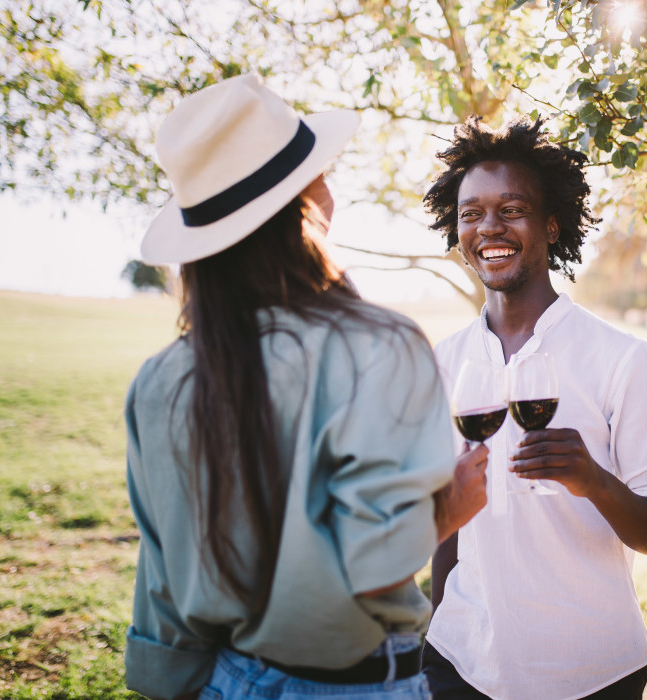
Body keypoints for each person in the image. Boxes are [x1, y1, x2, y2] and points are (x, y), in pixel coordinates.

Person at [123, 73, 487, 700]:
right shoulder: (380, 346)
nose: (331, 188)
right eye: (321, 174)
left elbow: (161, 578)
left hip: (221, 679)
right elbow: (375, 567)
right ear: (305, 206)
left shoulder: (160, 380)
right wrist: (449, 508)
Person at [420, 116, 647, 699]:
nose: (488, 227)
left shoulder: (627, 361)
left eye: (510, 209)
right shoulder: (444, 362)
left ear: (550, 225)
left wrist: (591, 479)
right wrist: (438, 625)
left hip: (590, 673)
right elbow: (449, 519)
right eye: (471, 213)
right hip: (460, 663)